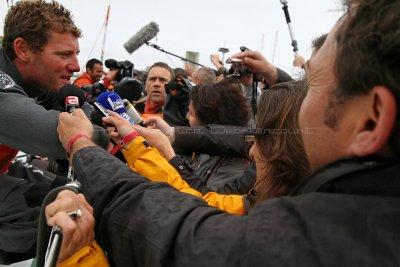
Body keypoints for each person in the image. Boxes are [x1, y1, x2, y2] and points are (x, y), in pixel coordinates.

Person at [49, 0, 400, 265]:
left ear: (370, 120)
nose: (250, 148)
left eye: (310, 88)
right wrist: (164, 138)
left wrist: (82, 147)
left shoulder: (305, 243)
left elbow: (175, 227)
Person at [0, 0, 106, 263]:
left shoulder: (32, 81)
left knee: (85, 197)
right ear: (22, 49)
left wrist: (85, 112)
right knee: (66, 215)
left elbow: (77, 110)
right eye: (63, 55)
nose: (76, 66)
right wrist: (106, 132)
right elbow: (61, 138)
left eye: (76, 54)